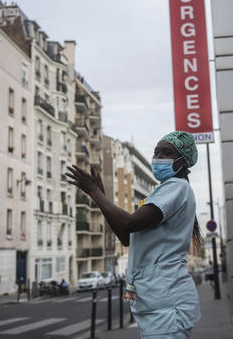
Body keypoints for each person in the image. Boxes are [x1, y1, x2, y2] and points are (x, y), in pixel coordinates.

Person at [67, 131, 202, 338]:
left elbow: (128, 223)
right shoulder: (164, 191)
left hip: (167, 305)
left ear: (183, 162)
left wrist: (95, 192)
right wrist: (100, 196)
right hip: (158, 305)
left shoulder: (177, 187)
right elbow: (126, 236)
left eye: (167, 153)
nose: (158, 157)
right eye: (156, 152)